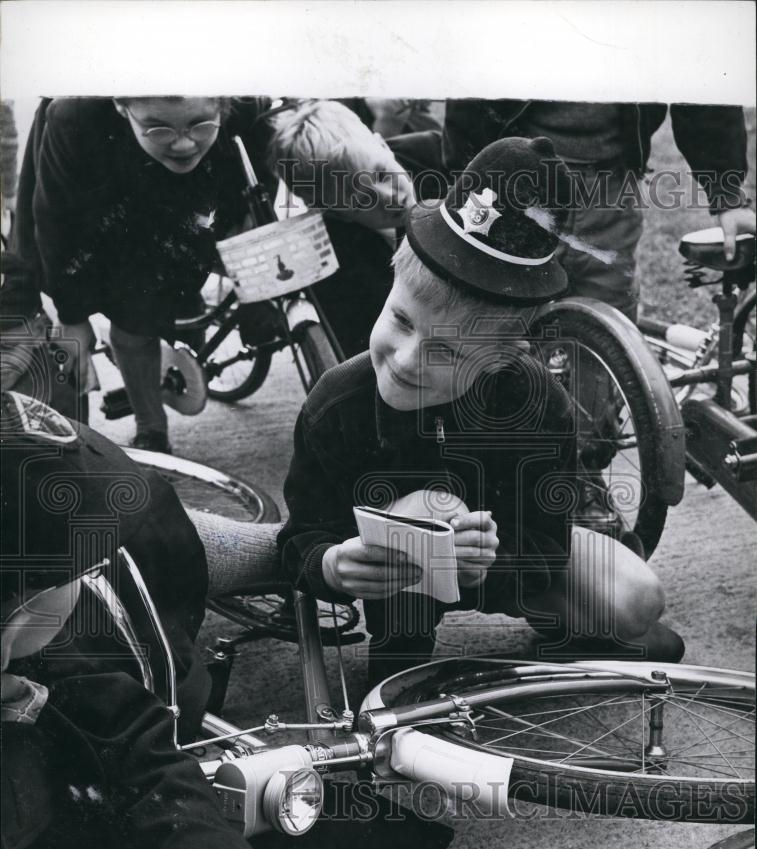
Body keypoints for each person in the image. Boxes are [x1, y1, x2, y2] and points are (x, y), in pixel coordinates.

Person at [1, 391, 451, 849]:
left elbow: (140, 751)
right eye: (85, 566)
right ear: (23, 610)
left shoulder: (63, 645)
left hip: (149, 791)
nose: (100, 567)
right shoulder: (61, 651)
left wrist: (325, 560)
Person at [277, 136, 684, 688]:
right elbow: (299, 538)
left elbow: (546, 544)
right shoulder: (335, 405)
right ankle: (402, 662)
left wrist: (488, 565)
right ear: (390, 284)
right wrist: (331, 565)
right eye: (400, 320)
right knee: (413, 516)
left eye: (447, 351)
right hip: (392, 580)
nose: (407, 361)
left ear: (506, 354)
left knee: (638, 600)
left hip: (503, 561)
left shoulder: (539, 404)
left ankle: (561, 624)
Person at [10, 96, 413, 454]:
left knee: (195, 266)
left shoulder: (245, 103)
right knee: (134, 324)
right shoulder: (74, 115)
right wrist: (73, 316)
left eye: (199, 122)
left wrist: (243, 239)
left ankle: (184, 325)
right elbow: (56, 221)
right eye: (158, 126)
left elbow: (264, 169)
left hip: (200, 193)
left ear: (222, 104)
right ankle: (152, 429)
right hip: (109, 196)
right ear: (122, 105)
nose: (183, 141)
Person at [440, 100, 756, 322]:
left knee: (608, 321)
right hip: (514, 181)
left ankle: (597, 416)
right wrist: (463, 185)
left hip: (610, 188)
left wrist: (726, 196)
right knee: (498, 317)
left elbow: (694, 71)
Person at [265, 99, 416, 358]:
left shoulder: (436, 158)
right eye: (359, 201)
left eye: (381, 174)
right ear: (340, 215)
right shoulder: (340, 265)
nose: (389, 197)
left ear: (383, 145)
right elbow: (364, 350)